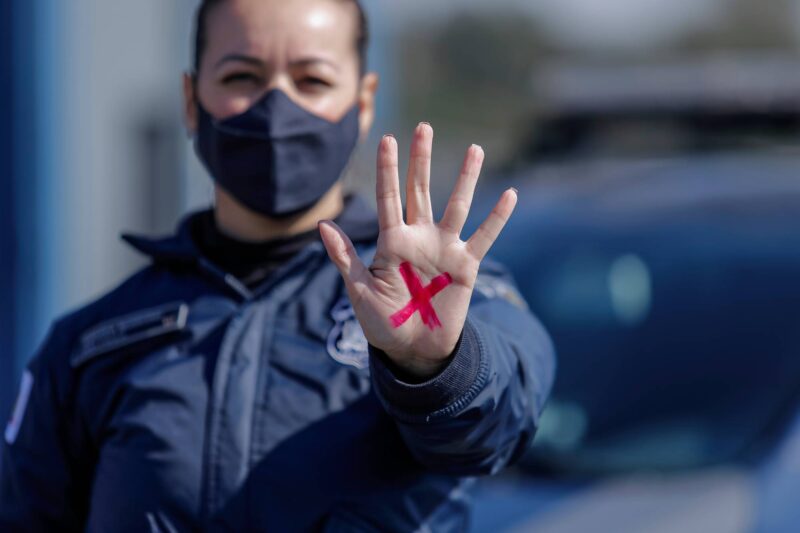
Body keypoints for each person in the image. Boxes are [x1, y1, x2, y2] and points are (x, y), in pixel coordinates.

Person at [0, 0, 555, 530]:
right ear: (192, 100)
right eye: (242, 76)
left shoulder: (434, 298)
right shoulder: (92, 342)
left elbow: (496, 426)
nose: (276, 106)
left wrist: (432, 369)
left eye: (311, 80)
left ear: (363, 104)